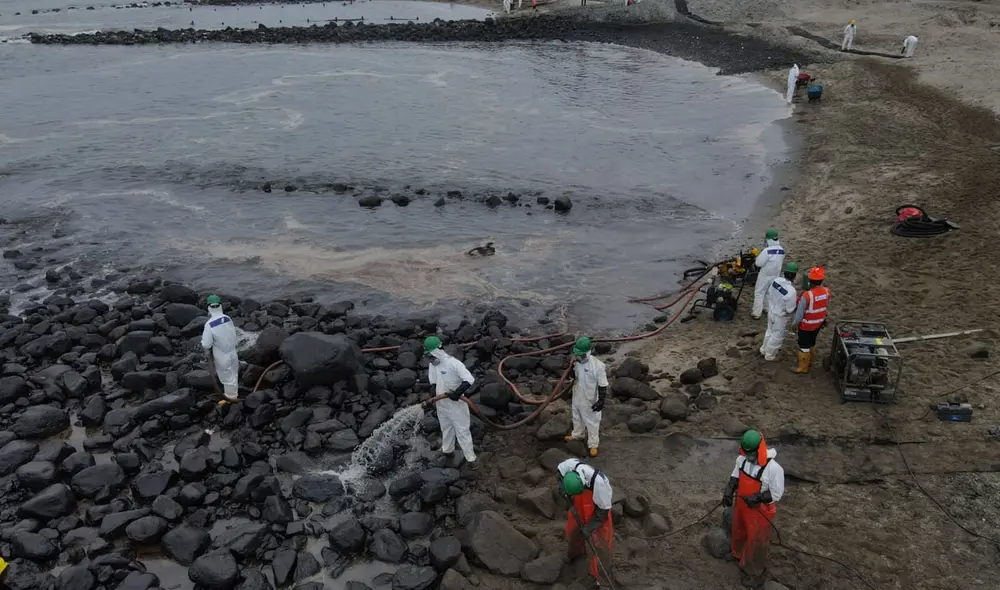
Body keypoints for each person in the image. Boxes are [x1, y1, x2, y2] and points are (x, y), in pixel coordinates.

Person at [723, 430, 785, 585]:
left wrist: (758, 497)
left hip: (760, 511)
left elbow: (777, 493)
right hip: (742, 505)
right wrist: (729, 490)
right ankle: (737, 554)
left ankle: (754, 571)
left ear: (760, 449)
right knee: (739, 529)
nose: (748, 457)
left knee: (756, 539)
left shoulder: (774, 469)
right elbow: (735, 475)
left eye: (751, 455)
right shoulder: (742, 460)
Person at [423, 336, 479, 469]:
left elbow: (469, 379)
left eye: (430, 354)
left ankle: (471, 459)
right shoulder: (433, 364)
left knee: (462, 431)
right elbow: (434, 381)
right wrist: (433, 395)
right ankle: (447, 450)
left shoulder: (454, 364)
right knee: (446, 428)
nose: (429, 358)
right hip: (441, 404)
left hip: (456, 404)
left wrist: (457, 393)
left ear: (437, 350)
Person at [558, 459, 614, 587]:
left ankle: (601, 577)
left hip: (598, 507)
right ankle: (575, 553)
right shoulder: (568, 465)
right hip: (579, 501)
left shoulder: (601, 485)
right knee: (574, 529)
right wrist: (563, 492)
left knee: (601, 540)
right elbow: (559, 475)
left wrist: (589, 528)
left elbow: (602, 512)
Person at [564, 337, 609, 457]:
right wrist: (570, 369)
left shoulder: (598, 366)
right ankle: (577, 435)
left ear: (587, 353)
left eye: (580, 355)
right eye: (576, 354)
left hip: (590, 399)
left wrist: (601, 401)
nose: (577, 357)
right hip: (577, 395)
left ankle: (593, 444)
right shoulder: (577, 363)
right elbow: (574, 376)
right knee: (576, 416)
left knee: (592, 422)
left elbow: (602, 384)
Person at [201, 295, 239, 403]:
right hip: (232, 351)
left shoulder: (209, 324)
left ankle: (230, 398)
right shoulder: (227, 318)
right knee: (234, 373)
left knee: (226, 377)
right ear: (220, 306)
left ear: (209, 307)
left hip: (222, 354)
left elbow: (207, 344)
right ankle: (234, 393)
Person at [793, 266, 830, 373]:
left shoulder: (807, 295)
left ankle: (803, 368)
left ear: (810, 280)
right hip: (819, 323)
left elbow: (799, 314)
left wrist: (794, 325)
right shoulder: (827, 291)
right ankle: (810, 360)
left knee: (804, 345)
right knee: (812, 341)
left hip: (807, 325)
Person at [759, 262, 798, 361]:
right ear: (794, 275)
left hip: (771, 310)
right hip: (780, 316)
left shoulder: (776, 281)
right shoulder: (791, 291)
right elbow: (790, 309)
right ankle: (770, 355)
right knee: (777, 336)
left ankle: (763, 349)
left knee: (769, 331)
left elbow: (770, 293)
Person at [751, 229, 785, 320]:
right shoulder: (782, 250)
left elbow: (758, 263)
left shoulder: (767, 251)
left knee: (759, 293)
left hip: (764, 275)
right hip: (775, 275)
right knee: (769, 293)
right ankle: (767, 308)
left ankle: (756, 313)